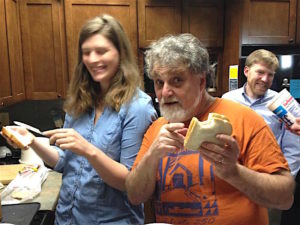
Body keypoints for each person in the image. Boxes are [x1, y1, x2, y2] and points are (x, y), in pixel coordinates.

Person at [125, 33, 295, 225]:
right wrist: (152, 156)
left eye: (177, 80)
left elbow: (285, 198)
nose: (165, 92)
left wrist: (233, 173)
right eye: (159, 82)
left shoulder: (244, 119)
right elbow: (134, 195)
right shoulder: (157, 129)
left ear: (202, 82)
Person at [2, 14, 157, 225]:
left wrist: (87, 149)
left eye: (102, 51)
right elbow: (65, 161)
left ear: (121, 54)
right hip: (67, 218)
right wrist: (32, 141)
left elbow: (131, 184)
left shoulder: (138, 108)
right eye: (86, 53)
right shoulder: (81, 100)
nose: (93, 59)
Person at [222, 49, 300, 177]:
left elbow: (294, 147)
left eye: (270, 74)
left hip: (269, 176)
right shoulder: (227, 100)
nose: (265, 79)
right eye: (260, 72)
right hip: (233, 175)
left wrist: (285, 180)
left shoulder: (283, 103)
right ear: (246, 71)